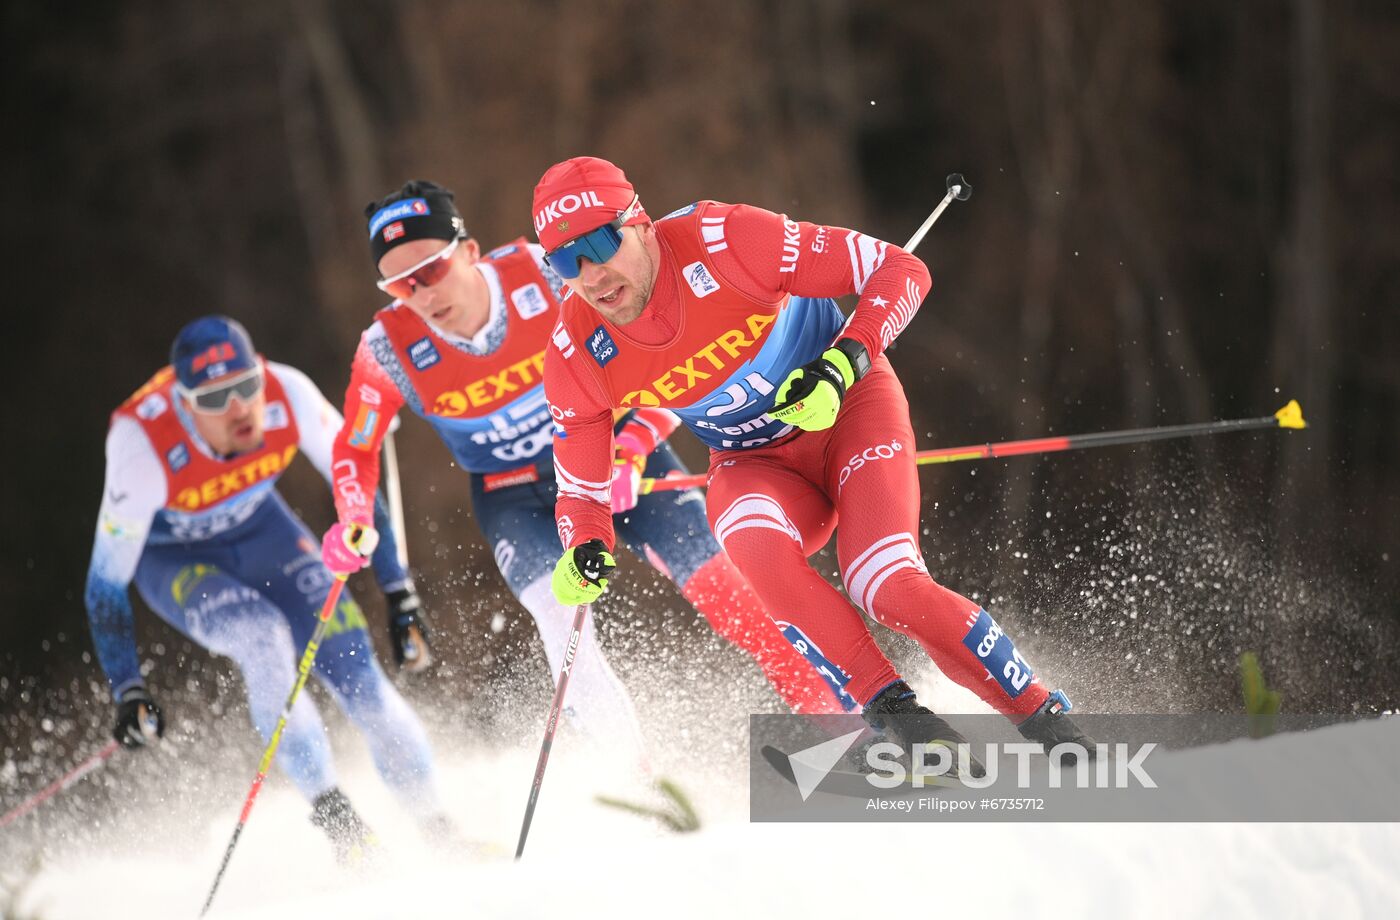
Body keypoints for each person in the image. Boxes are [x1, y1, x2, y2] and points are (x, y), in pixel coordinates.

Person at [535, 156, 1093, 774]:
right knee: (746, 538)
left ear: (638, 223)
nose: (591, 275)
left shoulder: (727, 239)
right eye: (565, 261)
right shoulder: (576, 348)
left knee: (884, 585)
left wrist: (843, 362)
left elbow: (900, 269)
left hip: (849, 414)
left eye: (598, 244)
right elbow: (581, 491)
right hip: (753, 461)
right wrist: (584, 547)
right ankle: (907, 728)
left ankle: (1048, 724)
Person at [320, 180, 847, 777]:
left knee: (730, 595)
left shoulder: (549, 277)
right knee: (562, 628)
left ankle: (849, 729)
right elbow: (356, 446)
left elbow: (679, 351)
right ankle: (645, 787)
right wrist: (354, 515)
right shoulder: (388, 349)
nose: (421, 293)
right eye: (400, 284)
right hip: (512, 495)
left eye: (432, 269)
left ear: (468, 252)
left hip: (614, 464)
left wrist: (633, 442)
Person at [84, 315, 448, 861]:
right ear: (185, 405)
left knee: (360, 676)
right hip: (177, 559)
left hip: (264, 534)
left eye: (246, 387)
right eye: (215, 399)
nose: (239, 409)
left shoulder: (288, 393)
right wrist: (129, 689)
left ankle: (439, 828)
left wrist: (400, 593)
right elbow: (104, 585)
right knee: (261, 636)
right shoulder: (141, 444)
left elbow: (359, 475)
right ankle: (341, 826)